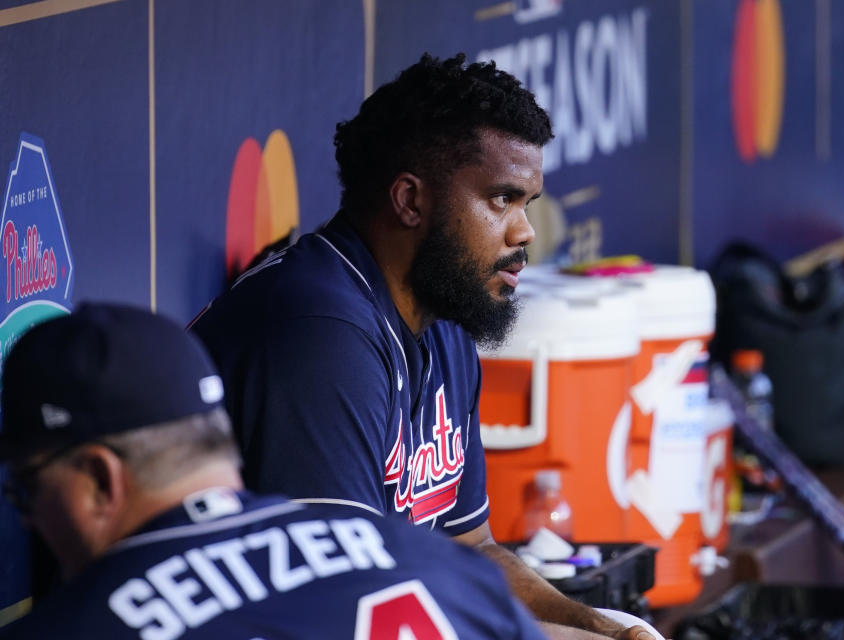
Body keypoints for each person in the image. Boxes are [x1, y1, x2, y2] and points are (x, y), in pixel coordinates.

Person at [190, 53, 659, 640]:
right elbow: (344, 609)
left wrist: (603, 628)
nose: (525, 232)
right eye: (500, 200)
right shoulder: (319, 334)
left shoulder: (442, 322)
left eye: (527, 204)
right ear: (410, 201)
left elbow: (473, 549)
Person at [0, 303, 554, 639]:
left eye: (27, 489)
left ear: (99, 480)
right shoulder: (434, 563)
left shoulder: (70, 630)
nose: (29, 520)